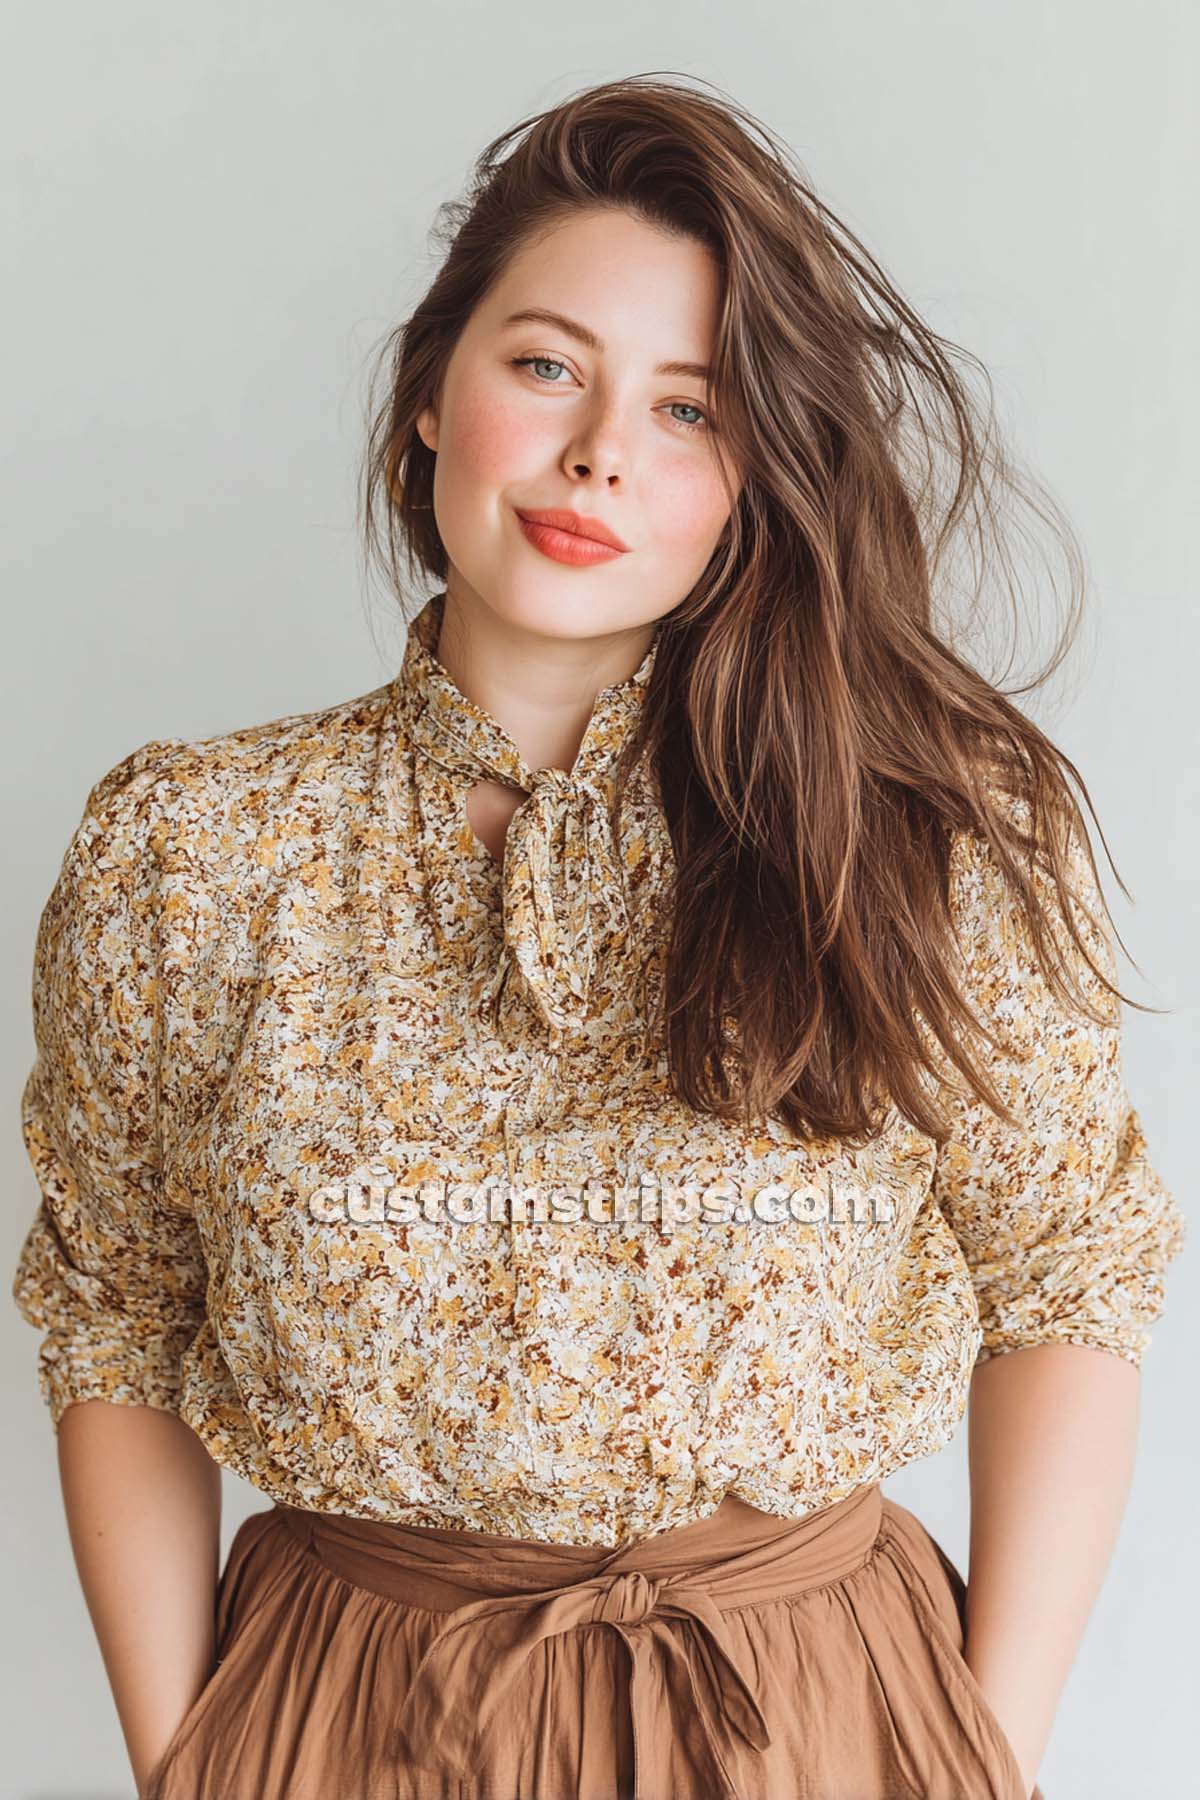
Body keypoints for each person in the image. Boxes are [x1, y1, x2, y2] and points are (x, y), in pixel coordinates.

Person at [11, 72, 1187, 1800]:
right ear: (430, 395)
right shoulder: (191, 851)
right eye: (547, 364)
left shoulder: (920, 841)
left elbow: (1074, 1275)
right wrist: (194, 1754)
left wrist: (972, 1753)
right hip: (344, 1718)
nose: (599, 455)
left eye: (691, 409)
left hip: (817, 1716)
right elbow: (110, 1311)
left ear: (755, 481)